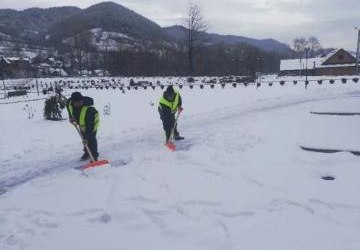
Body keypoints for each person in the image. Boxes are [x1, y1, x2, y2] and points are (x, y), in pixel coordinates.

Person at [67, 92, 100, 161]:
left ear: (82, 100)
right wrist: (70, 116)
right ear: (73, 102)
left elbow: (89, 126)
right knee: (84, 140)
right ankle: (87, 152)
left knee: (91, 140)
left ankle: (94, 156)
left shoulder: (89, 109)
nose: (78, 103)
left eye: (80, 101)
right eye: (76, 102)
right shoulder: (70, 103)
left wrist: (86, 138)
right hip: (82, 125)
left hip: (92, 125)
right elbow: (68, 105)